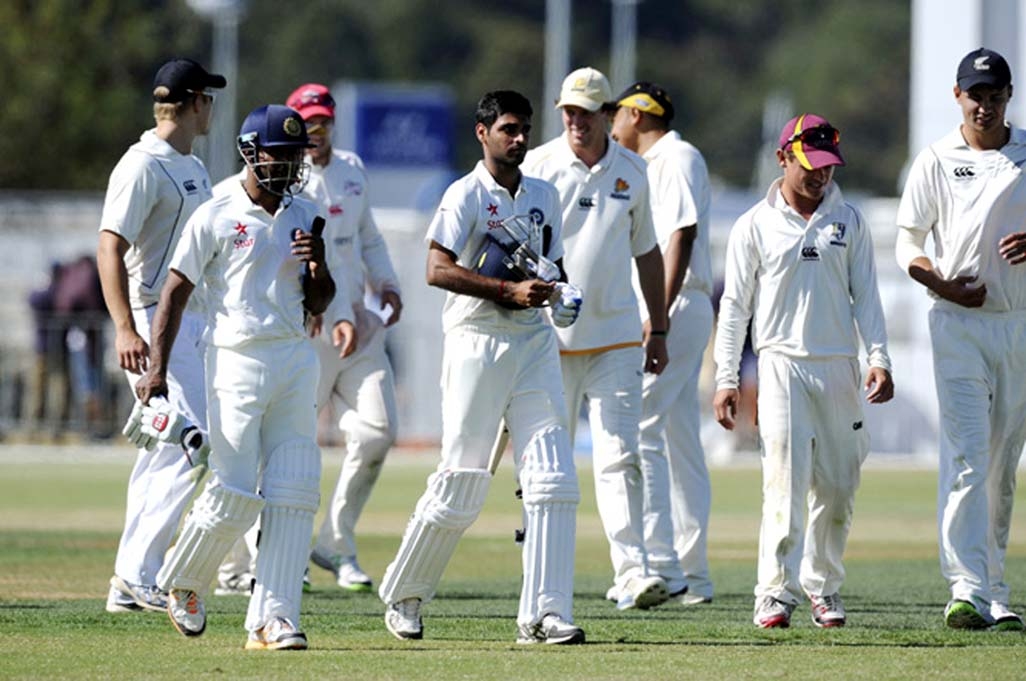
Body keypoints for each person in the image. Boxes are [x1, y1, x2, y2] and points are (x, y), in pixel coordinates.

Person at [378, 90, 585, 645]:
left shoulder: (544, 194)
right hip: (477, 340)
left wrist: (561, 295)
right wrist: (504, 289)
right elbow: (436, 269)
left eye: (524, 130)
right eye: (509, 129)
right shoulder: (465, 193)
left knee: (554, 481)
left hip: (534, 342)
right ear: (483, 132)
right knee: (462, 481)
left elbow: (555, 265)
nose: (518, 139)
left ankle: (544, 615)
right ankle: (405, 595)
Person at [134, 104, 335, 650]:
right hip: (236, 360)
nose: (290, 165)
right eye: (279, 154)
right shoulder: (216, 212)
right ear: (250, 151)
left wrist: (318, 263)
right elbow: (173, 293)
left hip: (295, 357)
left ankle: (274, 620)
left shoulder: (307, 211)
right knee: (236, 492)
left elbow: (320, 299)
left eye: (295, 156)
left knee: (295, 491)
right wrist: (156, 369)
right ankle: (183, 579)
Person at [214, 83, 403, 596]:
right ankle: (256, 559)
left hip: (355, 326)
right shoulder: (284, 184)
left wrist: (388, 285)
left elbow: (366, 239)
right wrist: (323, 309)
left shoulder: (352, 171)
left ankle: (335, 542)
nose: (316, 131)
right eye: (306, 122)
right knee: (277, 449)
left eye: (323, 121)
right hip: (309, 325)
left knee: (378, 432)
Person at [713, 113, 893, 629]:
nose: (821, 176)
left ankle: (824, 587)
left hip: (838, 364)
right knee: (785, 482)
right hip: (781, 365)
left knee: (839, 483)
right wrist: (727, 376)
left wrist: (878, 358)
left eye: (828, 167)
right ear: (783, 158)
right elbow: (734, 309)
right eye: (810, 165)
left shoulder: (849, 220)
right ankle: (773, 592)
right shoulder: (754, 224)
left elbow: (868, 297)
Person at [522, 67, 671, 610]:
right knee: (547, 464)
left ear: (609, 115)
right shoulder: (538, 165)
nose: (574, 122)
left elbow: (647, 252)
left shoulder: (634, 169)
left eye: (585, 113)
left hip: (615, 338)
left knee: (619, 457)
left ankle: (632, 572)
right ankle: (540, 571)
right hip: (547, 342)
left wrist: (658, 326)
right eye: (568, 112)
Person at [895, 47, 1026, 631]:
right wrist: (943, 284)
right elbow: (908, 240)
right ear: (958, 96)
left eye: (995, 94)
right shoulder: (935, 159)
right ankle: (966, 587)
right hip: (956, 325)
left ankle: (996, 588)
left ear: (1008, 96)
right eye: (976, 94)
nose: (985, 105)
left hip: (1018, 322)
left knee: (1003, 462)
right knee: (971, 454)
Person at [96, 57, 225, 614]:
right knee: (188, 444)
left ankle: (128, 579)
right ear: (195, 102)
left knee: (161, 453)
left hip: (194, 322)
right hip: (154, 324)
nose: (213, 108)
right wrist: (126, 327)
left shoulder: (191, 164)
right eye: (209, 98)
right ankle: (138, 576)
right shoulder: (143, 164)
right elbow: (109, 246)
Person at [609, 81, 715, 605]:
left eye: (616, 115)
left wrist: (658, 319)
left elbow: (681, 234)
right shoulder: (659, 161)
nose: (611, 125)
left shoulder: (674, 156)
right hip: (678, 308)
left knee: (641, 426)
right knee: (679, 440)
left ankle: (662, 567)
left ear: (637, 113)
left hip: (675, 307)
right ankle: (693, 575)